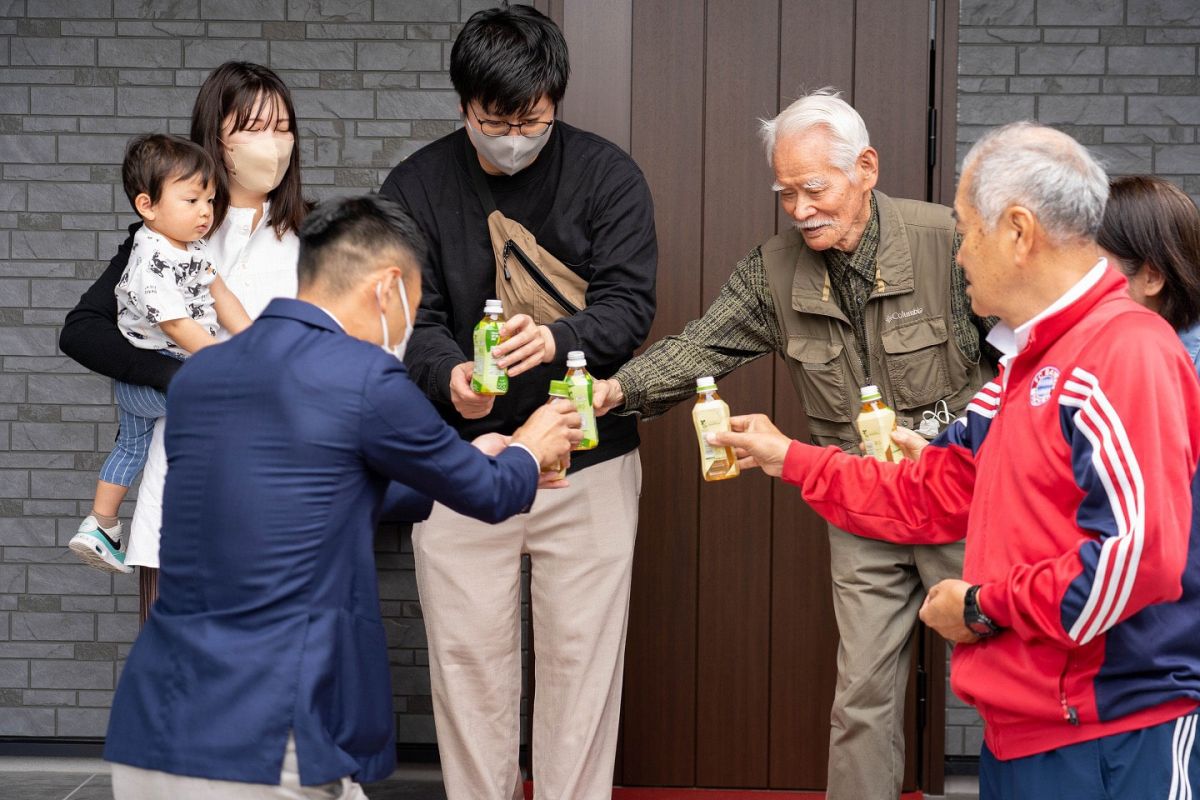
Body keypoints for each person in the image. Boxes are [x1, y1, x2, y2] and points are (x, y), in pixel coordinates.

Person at [710, 123, 1200, 799]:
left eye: (969, 231)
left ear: (1019, 232)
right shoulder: (1022, 368)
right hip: (1023, 730)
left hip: (1114, 732)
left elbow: (1134, 559)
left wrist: (981, 606)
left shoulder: (1126, 351)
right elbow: (925, 494)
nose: (961, 253)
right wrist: (789, 458)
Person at [104, 194, 582, 800]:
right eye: (411, 302)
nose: (408, 326)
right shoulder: (364, 375)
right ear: (386, 288)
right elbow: (490, 497)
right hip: (270, 730)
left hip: (156, 718)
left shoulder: (203, 375)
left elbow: (309, 486)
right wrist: (526, 447)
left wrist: (469, 456)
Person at [592, 88, 994, 800]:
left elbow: (1021, 370)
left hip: (962, 497)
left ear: (865, 168)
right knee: (861, 695)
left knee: (1001, 673)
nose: (801, 208)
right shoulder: (773, 271)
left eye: (815, 188)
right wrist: (616, 390)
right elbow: (699, 346)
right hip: (860, 509)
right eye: (786, 193)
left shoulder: (950, 246)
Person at [378, 6, 657, 799]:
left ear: (554, 101)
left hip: (590, 456)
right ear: (463, 103)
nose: (513, 135)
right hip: (461, 459)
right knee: (469, 664)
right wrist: (449, 376)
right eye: (493, 120)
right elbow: (408, 318)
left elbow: (630, 306)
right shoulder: (415, 186)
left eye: (531, 119)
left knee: (583, 663)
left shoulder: (609, 175)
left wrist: (561, 335)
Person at [60, 61, 308, 622]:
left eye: (283, 126)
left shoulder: (314, 238)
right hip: (180, 505)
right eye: (251, 127)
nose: (271, 143)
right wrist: (177, 376)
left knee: (274, 695)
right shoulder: (165, 237)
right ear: (214, 138)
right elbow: (83, 331)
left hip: (281, 504)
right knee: (175, 694)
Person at [69, 134, 252, 574]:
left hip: (137, 382)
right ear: (147, 206)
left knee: (131, 447)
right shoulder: (151, 257)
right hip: (149, 380)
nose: (205, 211)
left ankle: (101, 525)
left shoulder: (189, 249)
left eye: (210, 200)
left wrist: (251, 336)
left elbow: (219, 290)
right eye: (191, 200)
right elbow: (174, 323)